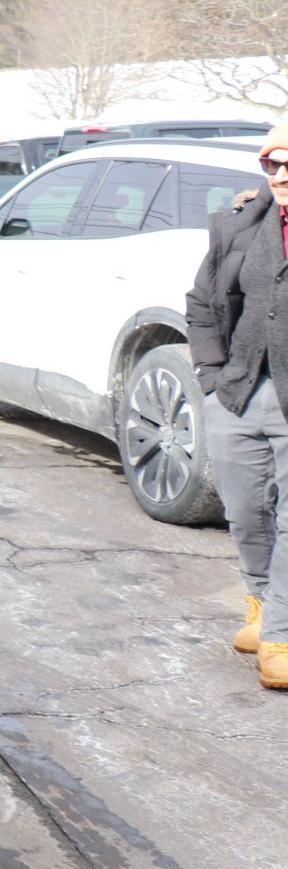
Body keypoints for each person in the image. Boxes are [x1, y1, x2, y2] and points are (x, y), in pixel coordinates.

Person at [186, 123, 288, 689]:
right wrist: (211, 378)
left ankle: (281, 634)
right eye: (272, 164)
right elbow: (202, 303)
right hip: (241, 391)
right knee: (245, 512)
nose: (281, 175)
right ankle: (260, 602)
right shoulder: (241, 223)